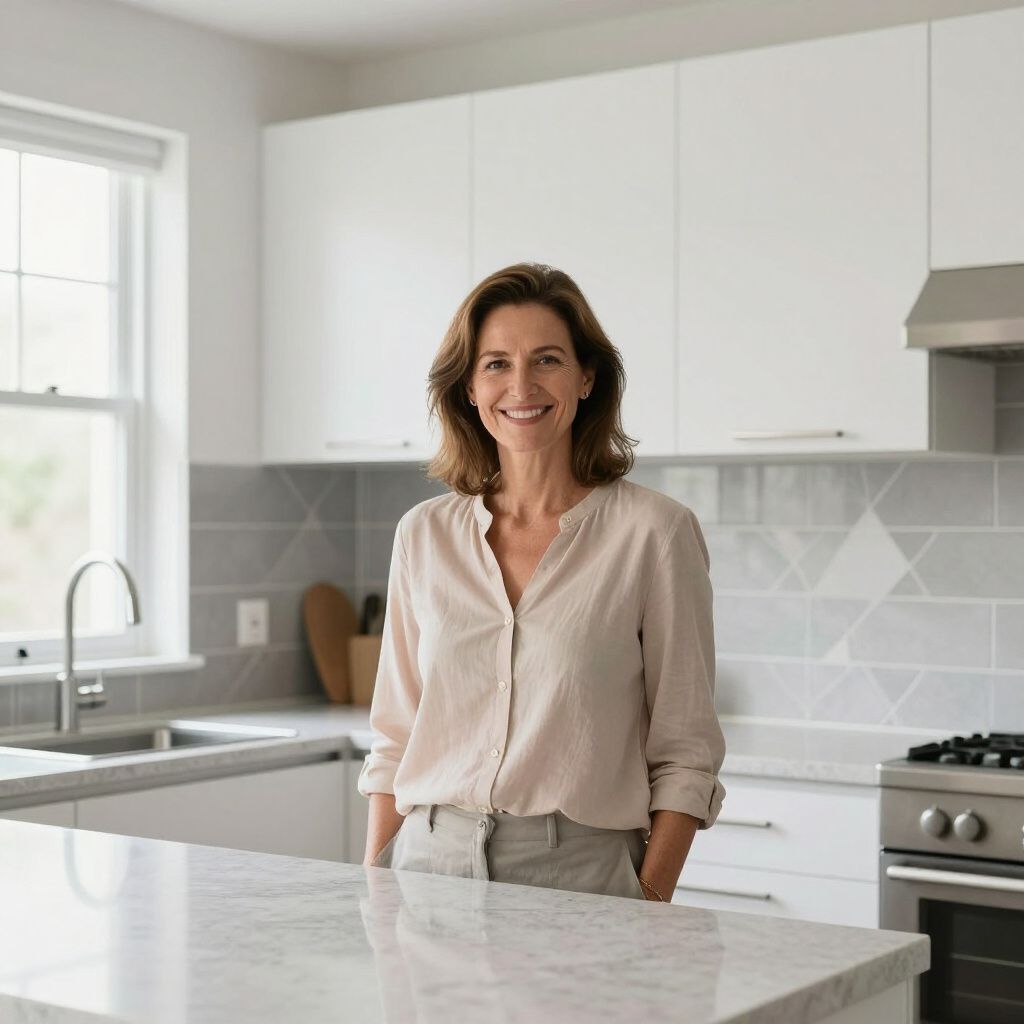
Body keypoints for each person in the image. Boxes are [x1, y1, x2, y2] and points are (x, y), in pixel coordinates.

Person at [358, 262, 725, 902]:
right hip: (425, 868)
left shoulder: (654, 534)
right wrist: (372, 888)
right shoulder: (423, 535)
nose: (521, 384)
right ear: (468, 387)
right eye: (496, 363)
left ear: (586, 378)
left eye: (547, 359)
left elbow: (686, 752)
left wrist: (648, 899)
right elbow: (394, 738)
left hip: (584, 875)